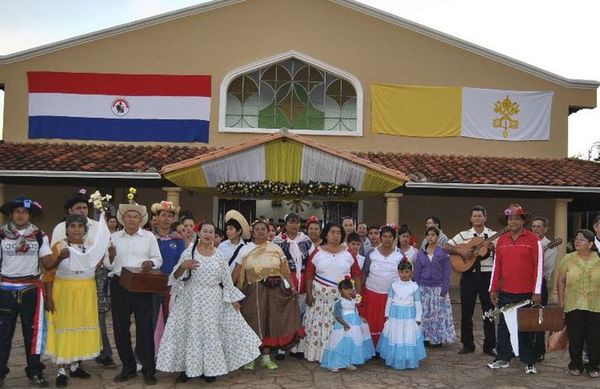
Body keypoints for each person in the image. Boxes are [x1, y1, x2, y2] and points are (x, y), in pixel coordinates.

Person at [157, 222, 261, 383]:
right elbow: (175, 277)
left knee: (210, 334)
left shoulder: (219, 255)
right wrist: (183, 266)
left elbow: (226, 280)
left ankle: (209, 369)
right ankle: (186, 368)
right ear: (199, 233)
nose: (207, 234)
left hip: (213, 299)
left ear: (215, 235)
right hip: (190, 299)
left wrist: (234, 300)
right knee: (190, 332)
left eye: (211, 232)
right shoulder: (189, 252)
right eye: (204, 231)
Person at [48, 189, 112, 370]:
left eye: (85, 207)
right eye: (78, 208)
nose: (82, 211)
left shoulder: (93, 235)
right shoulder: (60, 236)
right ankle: (62, 368)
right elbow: (50, 268)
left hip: (88, 285)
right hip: (65, 285)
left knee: (84, 323)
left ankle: (77, 364)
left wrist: (109, 257)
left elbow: (101, 258)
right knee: (64, 324)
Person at [104, 198, 162, 385]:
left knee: (145, 328)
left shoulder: (149, 237)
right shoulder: (113, 238)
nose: (131, 219)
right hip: (119, 284)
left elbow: (158, 259)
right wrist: (111, 258)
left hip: (142, 284)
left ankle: (148, 369)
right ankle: (128, 368)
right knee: (121, 329)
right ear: (123, 218)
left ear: (140, 220)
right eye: (128, 216)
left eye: (135, 216)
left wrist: (150, 263)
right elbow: (107, 264)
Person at [233, 220, 303, 370]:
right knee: (252, 322)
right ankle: (251, 357)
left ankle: (266, 357)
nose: (260, 232)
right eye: (257, 229)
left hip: (274, 292)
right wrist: (229, 291)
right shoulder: (245, 250)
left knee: (270, 323)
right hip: (252, 292)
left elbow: (285, 271)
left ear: (268, 231)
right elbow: (236, 272)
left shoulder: (276, 248)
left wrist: (292, 287)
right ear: (252, 232)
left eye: (263, 229)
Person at [0, 196, 51, 387]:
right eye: (17, 211)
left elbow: (47, 262)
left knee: (33, 335)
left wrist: (61, 257)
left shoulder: (40, 235)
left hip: (31, 290)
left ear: (30, 215)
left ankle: (35, 372)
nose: (21, 215)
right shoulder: (1, 235)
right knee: (2, 335)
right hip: (5, 290)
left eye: (24, 211)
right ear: (11, 214)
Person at [488, 204, 542, 374]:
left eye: (517, 218)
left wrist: (537, 291)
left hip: (526, 292)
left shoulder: (534, 240)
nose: (513, 221)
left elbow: (538, 267)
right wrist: (493, 289)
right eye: (510, 218)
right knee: (504, 326)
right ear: (507, 221)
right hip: (505, 292)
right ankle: (503, 358)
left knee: (524, 328)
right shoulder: (501, 241)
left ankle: (528, 361)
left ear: (523, 221)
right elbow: (496, 267)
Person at [298, 222, 363, 362]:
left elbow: (357, 274)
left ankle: (341, 356)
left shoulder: (348, 253)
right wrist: (309, 294)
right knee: (320, 329)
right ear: (326, 234)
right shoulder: (317, 252)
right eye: (332, 232)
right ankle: (320, 355)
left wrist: (357, 295)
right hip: (320, 301)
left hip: (343, 300)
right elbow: (309, 274)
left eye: (338, 233)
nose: (335, 235)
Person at [444, 205, 497, 356]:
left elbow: (502, 252)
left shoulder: (493, 234)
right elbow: (446, 247)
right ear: (470, 219)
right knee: (467, 311)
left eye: (480, 216)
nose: (477, 218)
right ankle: (467, 344)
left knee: (489, 311)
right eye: (474, 216)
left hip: (487, 275)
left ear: (485, 218)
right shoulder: (463, 235)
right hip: (469, 275)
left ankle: (490, 345)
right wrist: (460, 250)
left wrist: (493, 248)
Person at [557, 229, 600, 378]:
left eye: (581, 239)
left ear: (590, 244)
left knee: (595, 337)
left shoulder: (598, 259)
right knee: (575, 337)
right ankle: (575, 364)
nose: (577, 241)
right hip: (573, 304)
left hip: (595, 305)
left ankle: (594, 366)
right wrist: (561, 302)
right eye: (576, 239)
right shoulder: (568, 258)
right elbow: (561, 281)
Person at [272, 213, 314, 359]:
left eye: (296, 222)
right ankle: (282, 347)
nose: (294, 225)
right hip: (285, 279)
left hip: (302, 278)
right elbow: (274, 262)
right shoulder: (277, 241)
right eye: (291, 222)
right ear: (285, 224)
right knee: (285, 313)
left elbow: (312, 261)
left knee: (301, 314)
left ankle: (298, 346)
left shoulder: (306, 241)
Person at [377, 260, 427, 369]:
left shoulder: (414, 286)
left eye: (407, 272)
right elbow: (389, 300)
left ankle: (407, 357)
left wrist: (418, 317)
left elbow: (418, 303)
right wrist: (387, 314)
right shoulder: (394, 285)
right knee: (396, 335)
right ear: (398, 272)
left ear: (411, 273)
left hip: (409, 315)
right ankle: (396, 357)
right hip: (395, 315)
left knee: (407, 335)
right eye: (402, 272)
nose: (404, 274)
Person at [150, 201, 185, 349]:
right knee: (149, 321)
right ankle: (146, 354)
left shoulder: (178, 240)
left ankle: (168, 353)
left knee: (171, 321)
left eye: (170, 216)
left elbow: (180, 263)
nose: (166, 219)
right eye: (163, 215)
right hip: (150, 286)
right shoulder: (149, 238)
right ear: (156, 218)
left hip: (171, 287)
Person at [321, 277, 374, 372]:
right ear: (341, 291)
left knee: (351, 343)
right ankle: (334, 363)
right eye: (346, 289)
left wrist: (360, 318)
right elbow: (337, 315)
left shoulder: (353, 301)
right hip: (343, 326)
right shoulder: (339, 302)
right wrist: (344, 324)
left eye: (350, 289)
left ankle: (348, 362)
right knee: (340, 344)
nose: (349, 291)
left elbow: (355, 311)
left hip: (354, 325)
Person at [414, 227, 455, 348]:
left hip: (438, 287)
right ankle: (425, 337)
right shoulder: (421, 253)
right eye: (428, 235)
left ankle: (437, 338)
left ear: (437, 237)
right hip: (423, 288)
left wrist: (445, 288)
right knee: (424, 314)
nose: (431, 237)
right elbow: (417, 271)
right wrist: (416, 288)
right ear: (426, 237)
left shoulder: (443, 252)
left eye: (433, 235)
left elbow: (447, 272)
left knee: (438, 315)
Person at [360, 226, 402, 345]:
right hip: (371, 294)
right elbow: (364, 273)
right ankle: (372, 347)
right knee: (372, 322)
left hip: (391, 297)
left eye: (390, 237)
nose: (387, 239)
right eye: (384, 236)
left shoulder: (399, 255)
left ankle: (386, 347)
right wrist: (358, 293)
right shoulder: (372, 253)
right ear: (380, 237)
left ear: (394, 238)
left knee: (388, 323)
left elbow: (405, 275)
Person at [530, 216, 558, 362]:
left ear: (545, 229)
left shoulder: (550, 245)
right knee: (524, 317)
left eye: (539, 226)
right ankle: (524, 348)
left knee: (539, 318)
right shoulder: (527, 242)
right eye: (533, 226)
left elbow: (546, 268)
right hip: (524, 284)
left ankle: (539, 350)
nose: (535, 229)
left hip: (539, 284)